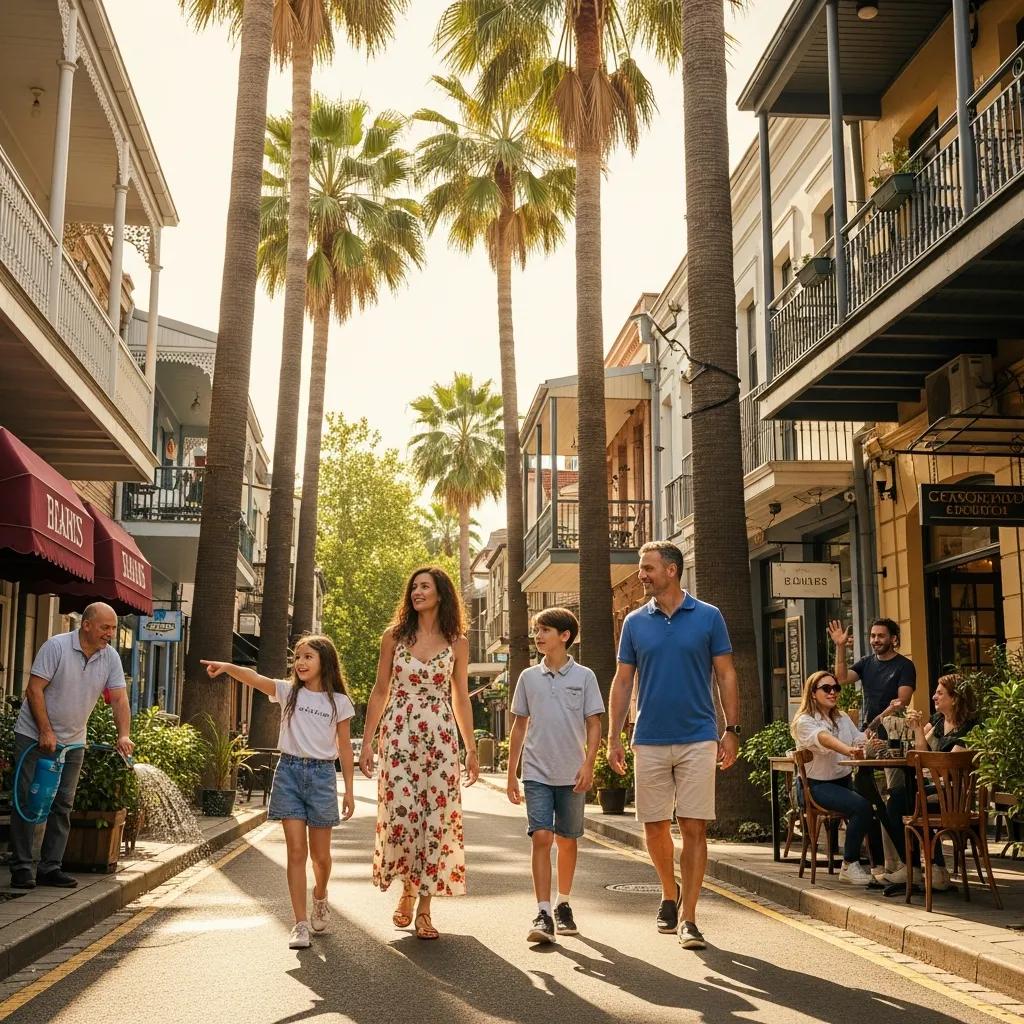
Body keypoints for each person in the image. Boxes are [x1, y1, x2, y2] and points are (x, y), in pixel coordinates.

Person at [607, 541, 740, 951]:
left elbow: (726, 675)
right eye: (641, 568)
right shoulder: (634, 622)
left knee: (695, 826)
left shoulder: (708, 616)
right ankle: (669, 891)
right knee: (654, 826)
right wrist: (614, 736)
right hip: (648, 736)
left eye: (647, 568)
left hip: (699, 736)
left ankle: (690, 917)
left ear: (672, 570)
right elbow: (623, 680)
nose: (641, 575)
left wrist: (731, 728)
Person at [201, 634, 355, 950]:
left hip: (322, 775)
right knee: (296, 852)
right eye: (297, 657)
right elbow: (255, 678)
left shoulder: (338, 702)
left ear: (324, 660)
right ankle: (299, 924)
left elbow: (344, 749)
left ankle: (320, 896)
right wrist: (229, 666)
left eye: (308, 656)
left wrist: (349, 791)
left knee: (321, 857)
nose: (300, 662)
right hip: (288, 773)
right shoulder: (287, 693)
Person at [360, 566, 479, 941]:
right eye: (413, 587)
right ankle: (406, 889)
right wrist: (367, 739)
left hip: (440, 737)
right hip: (398, 734)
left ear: (441, 594)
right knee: (402, 815)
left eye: (425, 586)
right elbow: (380, 690)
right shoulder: (393, 637)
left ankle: (425, 908)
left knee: (436, 818)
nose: (417, 592)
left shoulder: (457, 642)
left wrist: (470, 748)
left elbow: (460, 695)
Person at [10, 603, 134, 890]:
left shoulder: (110, 657)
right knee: (28, 799)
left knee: (63, 803)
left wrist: (123, 735)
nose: (111, 634)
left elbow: (118, 698)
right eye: (106, 627)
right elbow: (34, 689)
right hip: (33, 735)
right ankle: (22, 866)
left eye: (114, 628)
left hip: (74, 741)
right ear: (87, 624)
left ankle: (50, 867)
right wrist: (45, 730)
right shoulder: (56, 647)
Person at [506, 606, 604, 945]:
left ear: (564, 636)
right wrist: (511, 773)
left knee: (567, 839)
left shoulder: (585, 677)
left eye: (545, 630)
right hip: (536, 771)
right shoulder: (528, 677)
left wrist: (589, 764)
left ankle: (564, 903)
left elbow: (594, 724)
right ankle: (543, 911)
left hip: (572, 771)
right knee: (542, 837)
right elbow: (519, 726)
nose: (538, 635)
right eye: (536, 629)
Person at [882, 673, 980, 892]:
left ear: (954, 698)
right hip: (934, 789)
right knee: (900, 799)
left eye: (939, 693)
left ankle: (922, 868)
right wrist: (917, 729)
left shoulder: (970, 727)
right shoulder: (937, 721)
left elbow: (950, 770)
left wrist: (928, 767)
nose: (934, 697)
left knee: (900, 801)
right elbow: (920, 754)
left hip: (956, 798)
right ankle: (927, 868)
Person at [791, 671, 884, 886]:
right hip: (815, 787)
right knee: (862, 807)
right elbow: (823, 739)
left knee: (880, 804)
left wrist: (871, 743)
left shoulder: (841, 718)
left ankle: (884, 866)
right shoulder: (804, 721)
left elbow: (859, 739)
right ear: (813, 693)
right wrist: (848, 749)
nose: (833, 692)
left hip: (842, 781)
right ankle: (849, 865)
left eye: (836, 688)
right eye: (826, 688)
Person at [828, 617, 916, 725]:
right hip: (867, 728)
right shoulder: (866, 662)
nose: (875, 640)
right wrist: (840, 646)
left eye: (881, 636)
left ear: (893, 639)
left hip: (893, 731)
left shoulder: (905, 665)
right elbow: (842, 678)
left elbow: (901, 702)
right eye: (873, 636)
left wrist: (875, 724)